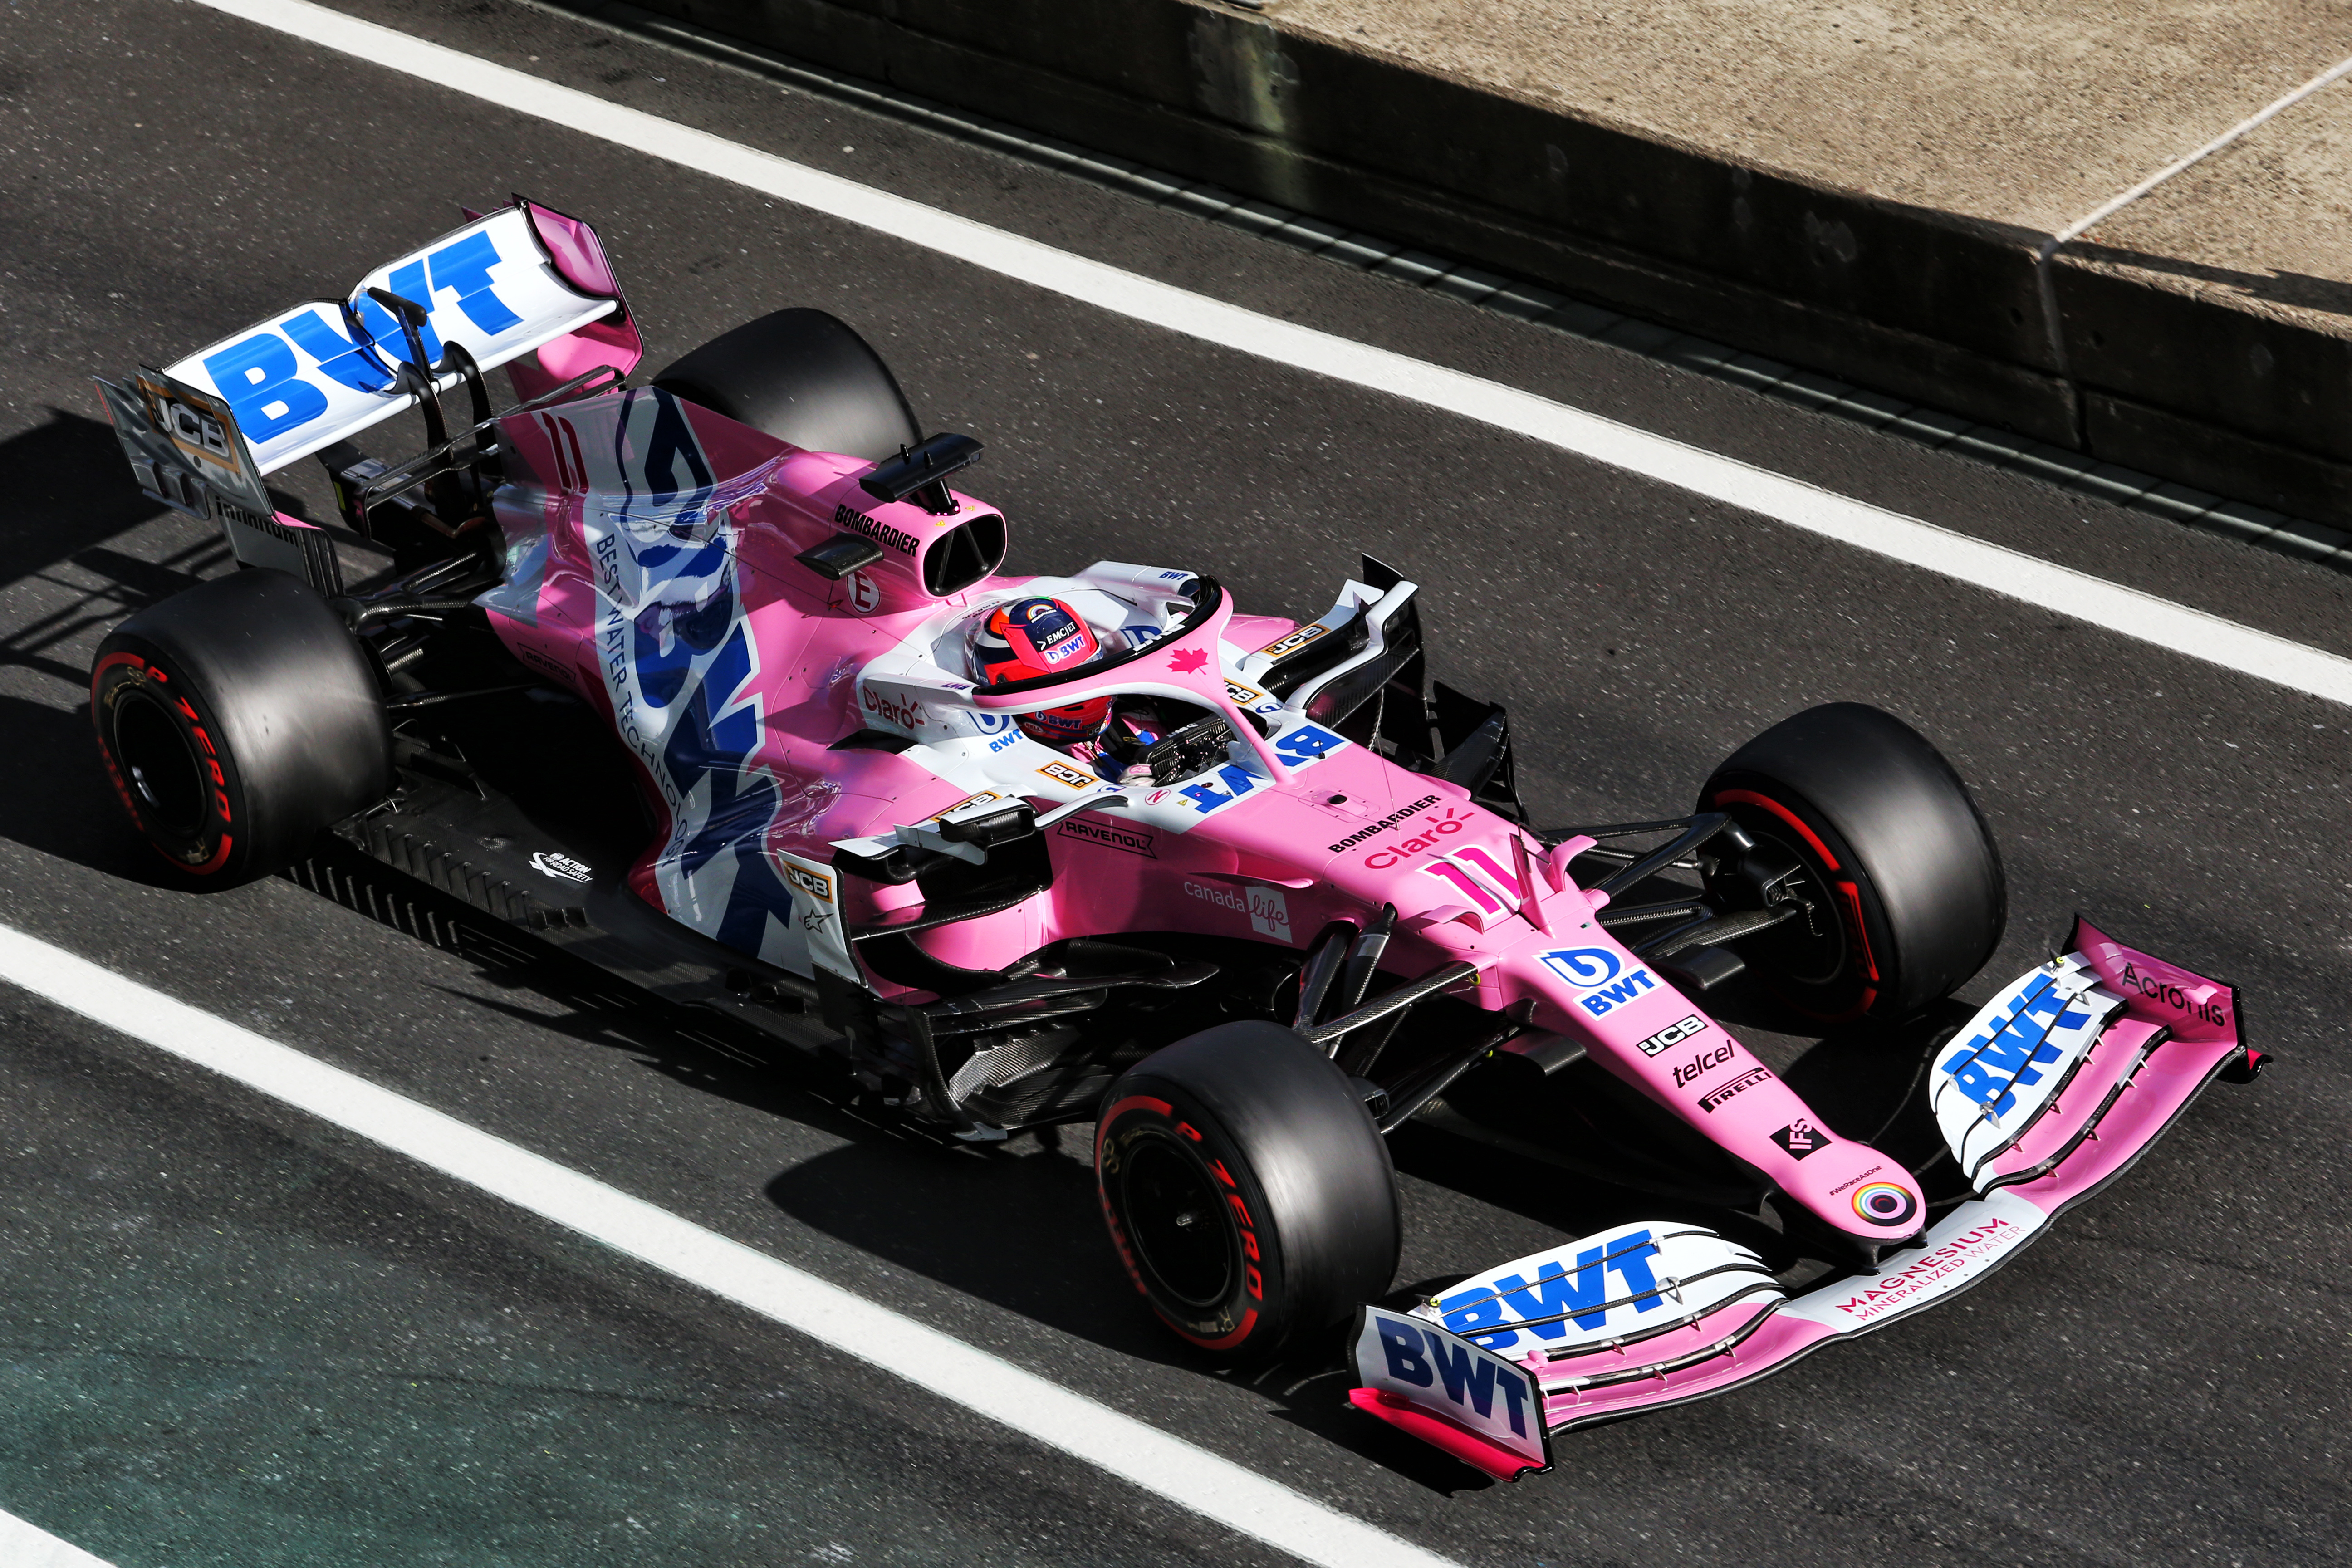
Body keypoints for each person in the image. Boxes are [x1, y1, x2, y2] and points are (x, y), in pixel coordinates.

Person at [969, 596, 1162, 780]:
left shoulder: (1143, 715)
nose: (1080, 687)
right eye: (1057, 682)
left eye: (1088, 666)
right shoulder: (1014, 766)